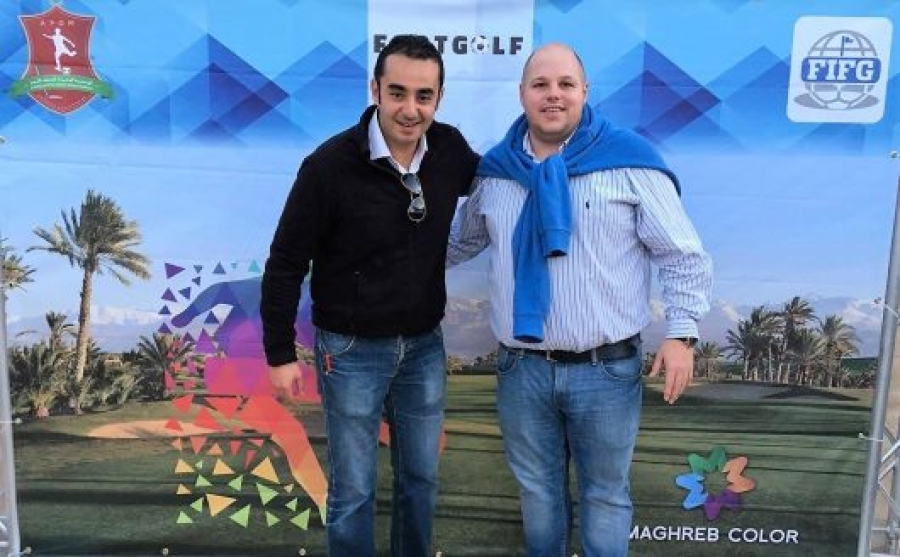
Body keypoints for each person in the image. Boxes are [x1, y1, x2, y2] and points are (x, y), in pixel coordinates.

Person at [447, 42, 712, 556]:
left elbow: (682, 254)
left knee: (606, 496)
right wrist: (379, 251)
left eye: (565, 84)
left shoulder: (630, 163)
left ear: (584, 92)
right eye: (541, 85)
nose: (553, 95)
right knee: (537, 493)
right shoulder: (495, 172)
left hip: (605, 370)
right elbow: (461, 243)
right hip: (522, 369)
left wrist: (682, 333)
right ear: (522, 94)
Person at [260, 34, 479, 557]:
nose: (410, 109)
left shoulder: (450, 150)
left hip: (424, 348)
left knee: (420, 481)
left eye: (424, 96)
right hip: (350, 351)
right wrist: (280, 354)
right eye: (397, 92)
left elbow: (503, 180)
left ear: (439, 98)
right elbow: (286, 263)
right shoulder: (328, 167)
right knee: (354, 491)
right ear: (376, 90)